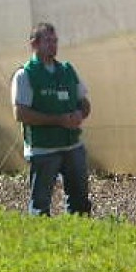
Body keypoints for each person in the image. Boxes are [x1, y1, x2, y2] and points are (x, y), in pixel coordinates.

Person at [11, 22, 92, 216]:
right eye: (48, 41)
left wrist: (80, 114)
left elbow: (84, 102)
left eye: (55, 41)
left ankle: (79, 235)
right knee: (40, 203)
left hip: (72, 145)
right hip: (43, 149)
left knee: (80, 201)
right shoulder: (25, 75)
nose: (53, 45)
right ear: (34, 44)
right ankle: (43, 240)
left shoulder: (67, 71)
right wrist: (58, 120)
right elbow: (20, 114)